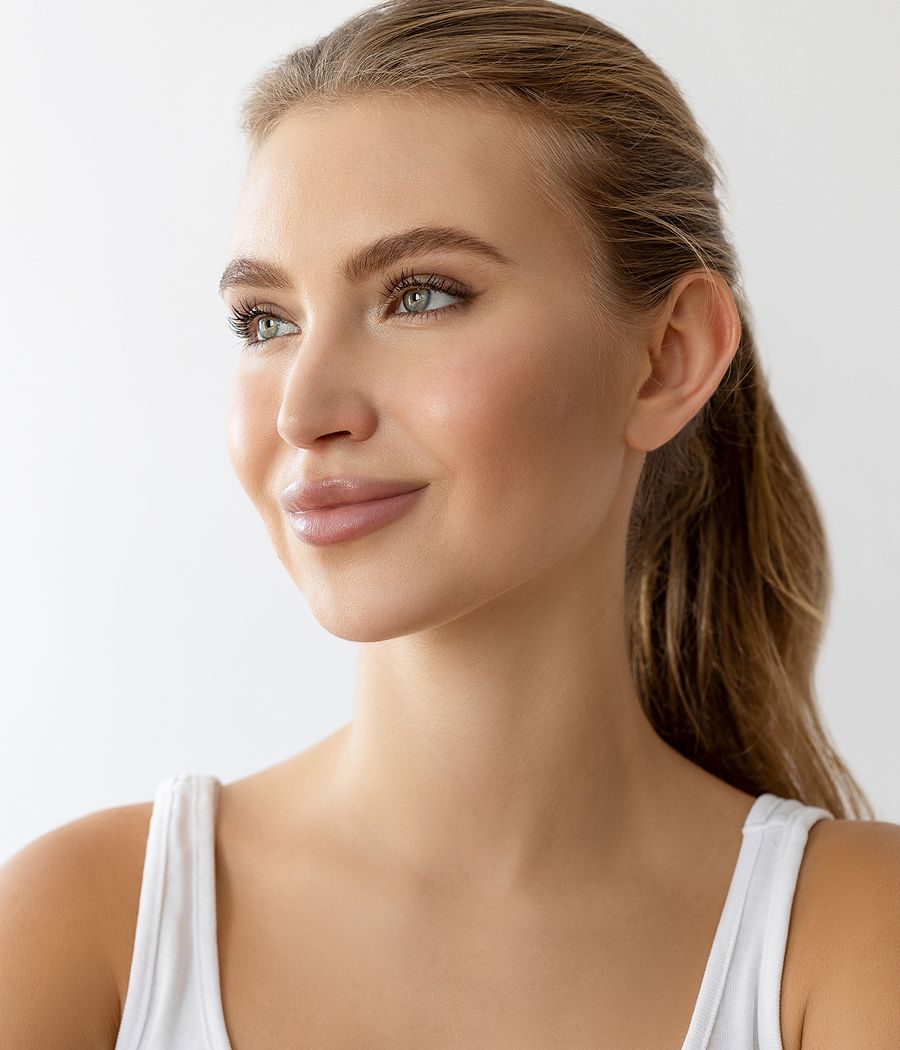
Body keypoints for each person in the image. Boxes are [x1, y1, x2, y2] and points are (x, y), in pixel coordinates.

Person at [2, 1, 898, 1048]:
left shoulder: (848, 935)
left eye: (420, 295)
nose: (302, 408)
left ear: (668, 358)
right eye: (266, 322)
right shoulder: (83, 928)